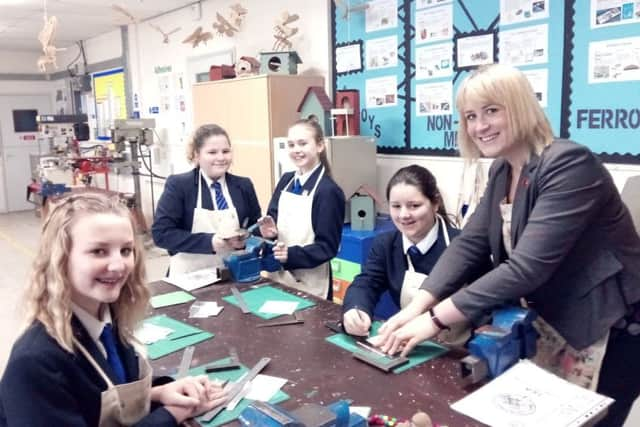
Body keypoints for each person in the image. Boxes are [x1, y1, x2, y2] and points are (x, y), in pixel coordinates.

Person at [370, 64, 640, 427]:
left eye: (492, 111)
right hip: (553, 326)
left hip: (610, 330)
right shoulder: (503, 170)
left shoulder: (569, 164)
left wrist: (434, 321)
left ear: (521, 107)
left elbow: (526, 268)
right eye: (470, 116)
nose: (480, 126)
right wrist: (416, 307)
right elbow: (471, 244)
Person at [0, 193, 227, 426]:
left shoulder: (110, 320)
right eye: (99, 251)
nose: (119, 265)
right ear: (60, 258)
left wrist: (158, 393)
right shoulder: (35, 364)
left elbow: (96, 396)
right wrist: (171, 414)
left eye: (126, 250)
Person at [342, 165, 463, 336]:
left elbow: (485, 304)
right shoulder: (386, 245)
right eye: (396, 206)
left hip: (458, 345)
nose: (404, 215)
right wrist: (356, 309)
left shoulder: (462, 246)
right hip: (410, 341)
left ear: (435, 203)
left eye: (414, 206)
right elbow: (367, 283)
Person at [152, 124, 261, 277]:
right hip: (189, 276)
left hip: (234, 273)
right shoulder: (179, 186)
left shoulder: (243, 185)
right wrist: (210, 242)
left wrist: (249, 238)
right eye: (212, 152)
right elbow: (162, 234)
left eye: (226, 151)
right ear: (196, 155)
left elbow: (254, 228)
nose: (221, 158)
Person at [259, 118, 346, 299]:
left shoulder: (328, 191)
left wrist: (290, 255)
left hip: (311, 284)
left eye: (303, 143)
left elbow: (327, 247)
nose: (296, 150)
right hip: (279, 277)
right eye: (291, 145)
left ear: (320, 146)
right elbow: (272, 220)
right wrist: (270, 233)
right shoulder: (286, 180)